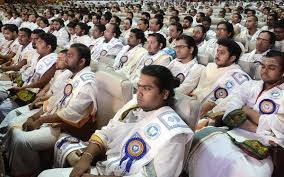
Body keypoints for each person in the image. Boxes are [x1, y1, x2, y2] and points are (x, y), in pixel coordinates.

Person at [39, 65, 194, 177]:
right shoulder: (134, 105)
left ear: (165, 94)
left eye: (147, 89)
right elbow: (108, 131)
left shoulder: (173, 133)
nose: (139, 94)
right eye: (138, 87)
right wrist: (86, 158)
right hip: (106, 167)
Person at [186, 50, 284, 177]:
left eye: (272, 68)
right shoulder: (250, 85)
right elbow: (231, 109)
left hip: (264, 145)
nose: (264, 71)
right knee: (204, 149)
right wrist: (262, 123)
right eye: (263, 66)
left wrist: (247, 110)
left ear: (282, 71)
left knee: (242, 169)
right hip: (234, 133)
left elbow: (280, 126)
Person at [5, 43, 98, 177]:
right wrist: (35, 117)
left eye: (70, 56)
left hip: (67, 126)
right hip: (54, 119)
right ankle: (18, 166)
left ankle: (25, 173)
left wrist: (41, 120)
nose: (66, 58)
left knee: (21, 139)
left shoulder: (87, 83)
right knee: (17, 125)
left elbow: (71, 113)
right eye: (66, 54)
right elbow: (54, 100)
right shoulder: (73, 75)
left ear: (82, 61)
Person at [190, 38, 250, 113]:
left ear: (232, 58)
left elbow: (221, 103)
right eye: (217, 51)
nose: (217, 55)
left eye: (222, 53)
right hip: (192, 102)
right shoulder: (210, 66)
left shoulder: (236, 76)